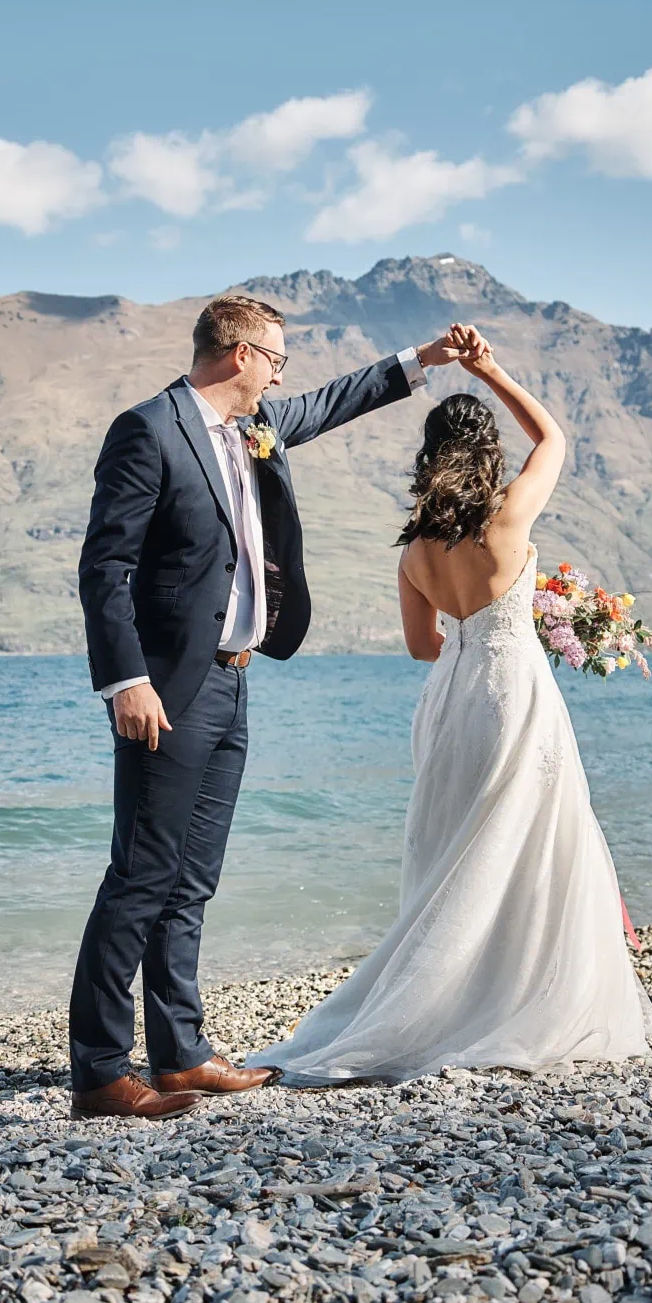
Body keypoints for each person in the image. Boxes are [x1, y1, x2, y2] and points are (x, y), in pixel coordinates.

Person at [69, 294, 473, 1120]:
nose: (283, 378)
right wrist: (126, 680)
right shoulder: (148, 430)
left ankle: (179, 1054)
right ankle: (101, 1071)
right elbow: (104, 567)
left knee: (192, 879)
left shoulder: (257, 427)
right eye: (277, 360)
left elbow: (335, 401)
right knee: (141, 875)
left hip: (234, 679)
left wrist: (424, 360)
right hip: (165, 687)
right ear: (240, 355)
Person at [248, 326, 652, 1084]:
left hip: (450, 703)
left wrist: (471, 640)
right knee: (525, 842)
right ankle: (513, 998)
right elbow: (554, 438)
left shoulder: (414, 550)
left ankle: (437, 999)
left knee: (454, 850)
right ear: (488, 454)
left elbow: (421, 645)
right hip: (513, 695)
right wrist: (491, 369)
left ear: (430, 457)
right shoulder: (508, 518)